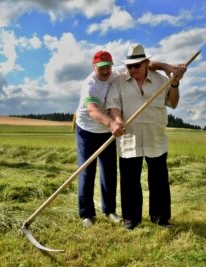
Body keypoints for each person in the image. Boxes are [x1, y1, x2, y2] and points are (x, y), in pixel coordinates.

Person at [75, 49, 185, 227]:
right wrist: (114, 123)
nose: (105, 70)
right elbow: (95, 109)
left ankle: (112, 211)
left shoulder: (122, 72)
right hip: (90, 129)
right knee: (88, 172)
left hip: (124, 132)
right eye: (100, 67)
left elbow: (152, 68)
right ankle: (88, 214)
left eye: (107, 66)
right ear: (94, 66)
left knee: (110, 173)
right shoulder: (91, 85)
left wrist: (168, 70)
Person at [106, 44, 187, 230]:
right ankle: (131, 219)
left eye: (136, 65)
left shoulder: (160, 81)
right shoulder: (119, 82)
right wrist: (117, 121)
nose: (132, 69)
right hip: (129, 137)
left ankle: (160, 218)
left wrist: (174, 83)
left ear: (145, 64)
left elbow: (173, 103)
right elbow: (114, 105)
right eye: (129, 66)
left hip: (155, 136)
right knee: (129, 181)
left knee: (158, 179)